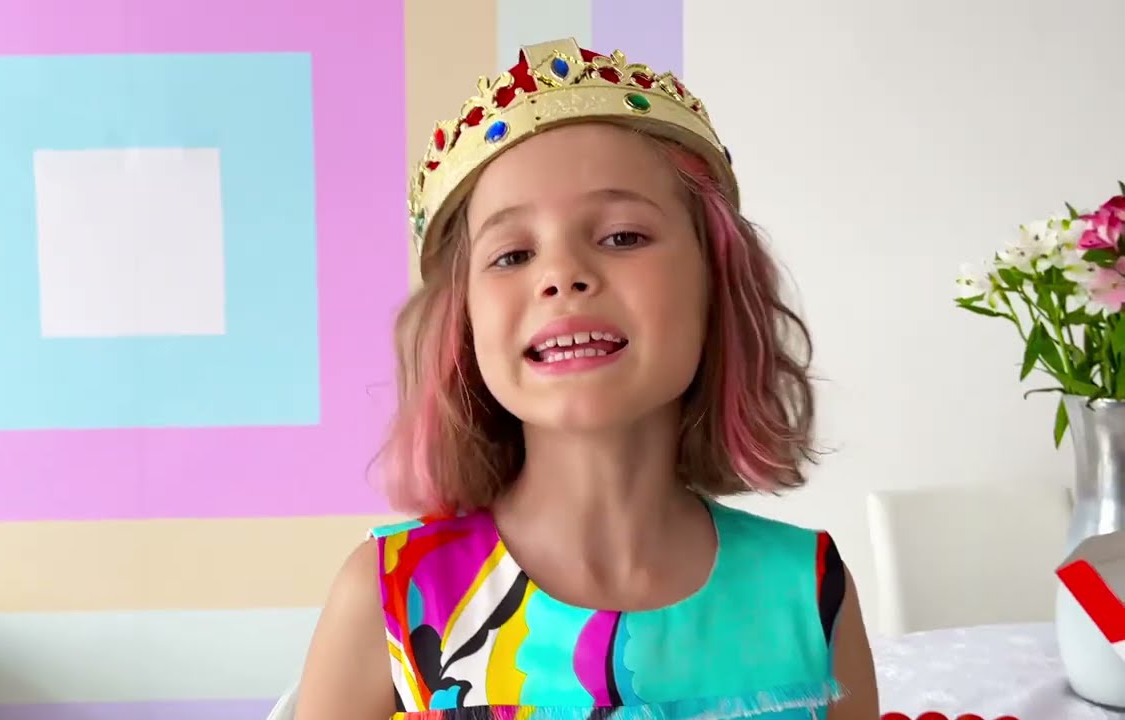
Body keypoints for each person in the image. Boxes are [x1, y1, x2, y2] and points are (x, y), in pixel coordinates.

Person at [295, 38, 879, 720]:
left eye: (623, 237)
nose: (561, 275)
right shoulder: (388, 598)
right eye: (512, 254)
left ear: (716, 283)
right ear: (464, 323)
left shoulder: (809, 590)